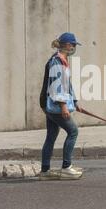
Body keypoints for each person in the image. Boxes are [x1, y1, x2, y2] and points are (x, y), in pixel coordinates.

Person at [39, 32, 83, 180]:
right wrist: (63, 105)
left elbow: (67, 85)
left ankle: (45, 171)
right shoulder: (57, 62)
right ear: (68, 45)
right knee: (73, 132)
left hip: (50, 105)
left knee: (51, 136)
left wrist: (75, 102)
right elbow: (56, 86)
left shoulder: (62, 61)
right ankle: (66, 167)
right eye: (74, 45)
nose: (75, 47)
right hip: (55, 105)